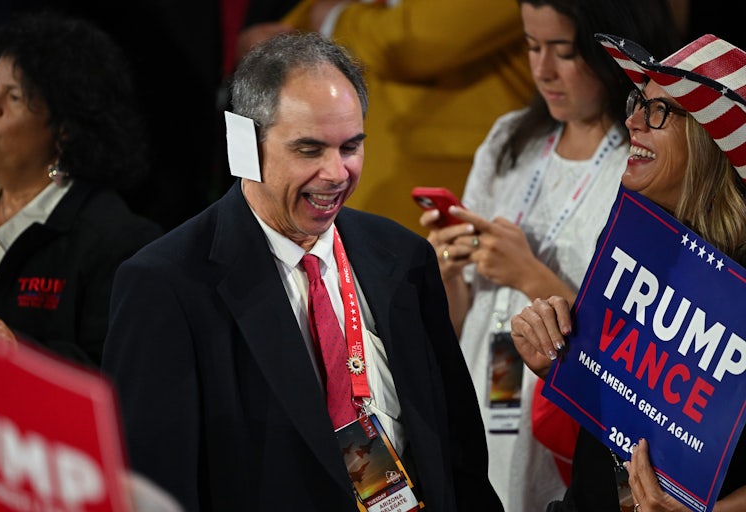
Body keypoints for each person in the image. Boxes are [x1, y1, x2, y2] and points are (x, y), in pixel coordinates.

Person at [101, 32, 500, 511]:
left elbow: (459, 460)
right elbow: (152, 492)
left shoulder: (404, 257)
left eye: (350, 147)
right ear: (245, 145)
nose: (336, 173)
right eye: (310, 150)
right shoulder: (165, 285)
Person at [417, 0, 680, 509]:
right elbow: (457, 316)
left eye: (563, 51)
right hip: (482, 387)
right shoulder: (510, 139)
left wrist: (532, 276)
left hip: (561, 415)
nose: (542, 70)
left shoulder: (642, 164)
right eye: (532, 47)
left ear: (610, 51)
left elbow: (637, 351)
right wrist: (447, 270)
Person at [510, 32, 746, 511]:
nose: (633, 120)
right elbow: (619, 415)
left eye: (658, 111)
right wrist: (562, 358)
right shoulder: (629, 237)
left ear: (709, 141)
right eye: (637, 101)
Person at [0, 12, 162, 366]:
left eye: (14, 97)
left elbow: (115, 376)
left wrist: (18, 350)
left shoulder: (116, 243)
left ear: (65, 130)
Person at [274, 0, 535, 233]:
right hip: (359, 184)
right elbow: (296, 24)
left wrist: (336, 20)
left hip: (443, 188)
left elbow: (417, 41)